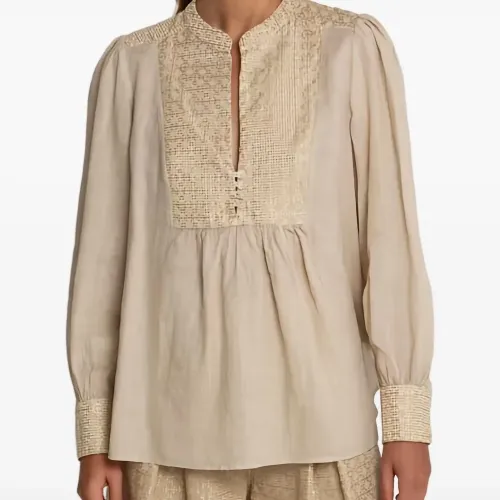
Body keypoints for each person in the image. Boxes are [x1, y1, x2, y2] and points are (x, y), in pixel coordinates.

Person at [66, 0, 434, 498]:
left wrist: (406, 420)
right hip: (162, 441)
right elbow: (100, 260)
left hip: (325, 435)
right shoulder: (132, 64)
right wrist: (95, 430)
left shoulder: (349, 47)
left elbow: (390, 241)